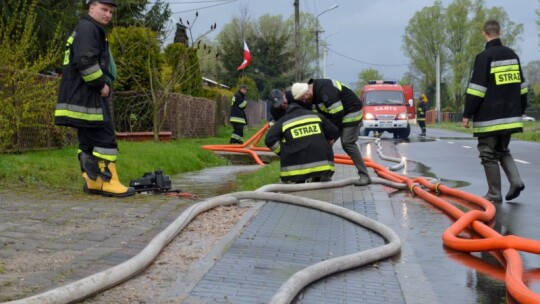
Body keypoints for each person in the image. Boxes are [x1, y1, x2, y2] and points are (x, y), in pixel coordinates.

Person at [54, 0, 135, 197]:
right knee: (105, 138)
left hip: (81, 96)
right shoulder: (89, 28)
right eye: (104, 9)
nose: (108, 14)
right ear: (91, 7)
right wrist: (101, 85)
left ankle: (93, 181)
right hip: (91, 95)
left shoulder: (85, 28)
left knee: (88, 140)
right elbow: (85, 60)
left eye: (111, 12)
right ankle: (109, 182)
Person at [463, 20, 527, 203]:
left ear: (484, 33)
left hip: (489, 118)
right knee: (503, 149)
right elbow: (522, 88)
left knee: (488, 154)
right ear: (500, 32)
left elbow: (477, 90)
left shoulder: (484, 57)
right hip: (511, 116)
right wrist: (520, 110)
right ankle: (516, 181)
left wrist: (467, 114)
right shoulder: (513, 55)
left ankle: (494, 193)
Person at [291, 79, 372, 186]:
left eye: (303, 98)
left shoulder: (325, 90)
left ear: (307, 92)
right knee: (321, 141)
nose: (304, 101)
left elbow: (338, 114)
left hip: (351, 111)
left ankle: (365, 176)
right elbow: (320, 117)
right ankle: (323, 175)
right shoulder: (312, 96)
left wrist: (332, 136)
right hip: (338, 115)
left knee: (347, 143)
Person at [265, 90, 340, 183]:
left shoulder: (296, 96)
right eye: (278, 105)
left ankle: (317, 174)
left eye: (283, 102)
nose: (282, 105)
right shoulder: (274, 111)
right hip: (294, 135)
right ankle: (317, 173)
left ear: (284, 95)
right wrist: (284, 151)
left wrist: (327, 139)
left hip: (311, 125)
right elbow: (279, 130)